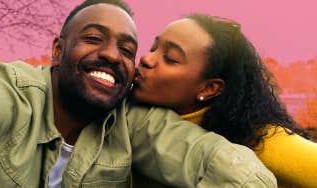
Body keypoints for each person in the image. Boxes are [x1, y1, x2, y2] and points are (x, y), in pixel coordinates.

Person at [0, 1, 277, 187]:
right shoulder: (8, 94)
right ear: (58, 51)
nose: (114, 55)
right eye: (93, 38)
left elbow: (229, 169)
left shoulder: (129, 119)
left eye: (127, 49)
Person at [133, 13, 317, 187]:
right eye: (153, 48)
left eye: (170, 58)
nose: (146, 59)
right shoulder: (130, 118)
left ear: (209, 88)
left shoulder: (259, 141)